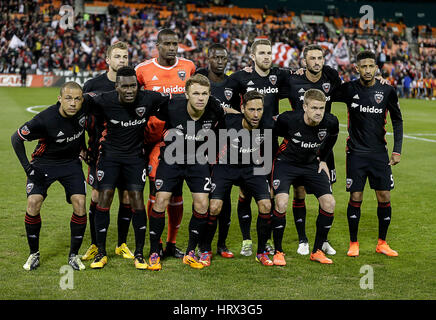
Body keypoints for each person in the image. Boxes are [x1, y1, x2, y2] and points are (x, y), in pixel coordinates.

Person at [147, 74, 238, 270]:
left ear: (209, 95)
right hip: (171, 159)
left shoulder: (214, 108)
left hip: (198, 160)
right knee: (160, 200)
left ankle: (190, 251)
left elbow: (225, 122)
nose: (200, 97)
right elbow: (149, 116)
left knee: (202, 204)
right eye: (196, 93)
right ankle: (155, 251)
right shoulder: (171, 106)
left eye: (204, 93)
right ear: (187, 94)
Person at [84, 66, 170, 270]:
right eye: (125, 86)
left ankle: (139, 254)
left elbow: (171, 103)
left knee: (137, 202)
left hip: (134, 158)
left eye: (133, 86)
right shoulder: (103, 99)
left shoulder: (149, 98)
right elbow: (79, 109)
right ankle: (101, 252)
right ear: (117, 87)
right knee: (104, 198)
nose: (130, 90)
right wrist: (83, 147)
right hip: (109, 156)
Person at [11, 81, 88, 271]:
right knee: (33, 203)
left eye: (77, 99)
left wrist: (84, 149)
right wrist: (28, 169)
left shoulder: (85, 111)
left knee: (80, 203)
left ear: (82, 101)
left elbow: (82, 133)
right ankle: (33, 254)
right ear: (59, 99)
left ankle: (73, 256)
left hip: (71, 164)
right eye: (68, 98)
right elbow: (16, 138)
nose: (72, 103)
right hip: (44, 163)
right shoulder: (45, 119)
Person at [226, 39, 290, 257]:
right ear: (252, 56)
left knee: (269, 194)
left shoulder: (279, 75)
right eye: (262, 53)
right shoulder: (239, 77)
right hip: (247, 142)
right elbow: (222, 101)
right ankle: (246, 240)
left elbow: (302, 81)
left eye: (269, 53)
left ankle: (267, 239)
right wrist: (238, 115)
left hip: (270, 142)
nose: (267, 56)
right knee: (245, 191)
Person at [335, 50, 403, 257]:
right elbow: (325, 91)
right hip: (355, 152)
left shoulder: (387, 90)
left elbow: (397, 120)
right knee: (356, 196)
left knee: (384, 196)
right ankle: (353, 243)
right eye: (363, 66)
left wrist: (397, 150)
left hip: (379, 153)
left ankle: (382, 243)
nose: (367, 70)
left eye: (370, 66)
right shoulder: (348, 89)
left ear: (376, 68)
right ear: (356, 68)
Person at [135, 28, 196, 259]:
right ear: (157, 45)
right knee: (157, 191)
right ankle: (157, 242)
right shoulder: (142, 70)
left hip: (181, 139)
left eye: (175, 43)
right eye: (167, 44)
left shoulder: (188, 67)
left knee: (177, 194)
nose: (172, 47)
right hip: (152, 141)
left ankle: (171, 243)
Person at [282, 44, 341, 256]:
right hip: (298, 148)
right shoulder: (293, 79)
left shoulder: (331, 77)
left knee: (328, 195)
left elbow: (348, 91)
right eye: (312, 58)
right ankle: (303, 239)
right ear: (304, 61)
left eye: (320, 58)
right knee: (299, 193)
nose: (316, 62)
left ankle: (323, 240)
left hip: (322, 147)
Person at [81, 41, 136, 262]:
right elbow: (80, 118)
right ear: (108, 59)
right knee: (98, 196)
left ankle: (121, 244)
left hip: (128, 150)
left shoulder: (133, 83)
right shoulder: (93, 85)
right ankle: (95, 245)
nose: (122, 60)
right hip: (99, 151)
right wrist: (82, 147)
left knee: (126, 197)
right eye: (118, 56)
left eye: (125, 57)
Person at [207, 90, 274, 267]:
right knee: (214, 207)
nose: (256, 114)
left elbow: (272, 150)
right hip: (226, 167)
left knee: (266, 205)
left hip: (252, 168)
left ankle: (261, 252)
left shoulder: (268, 125)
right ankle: (206, 250)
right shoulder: (228, 122)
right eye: (251, 109)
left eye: (259, 109)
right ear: (243, 108)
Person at [272, 88, 339, 264]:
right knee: (281, 202)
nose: (318, 112)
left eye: (322, 108)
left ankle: (317, 251)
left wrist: (323, 159)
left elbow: (333, 137)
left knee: (329, 203)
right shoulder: (289, 119)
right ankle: (278, 251)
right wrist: (270, 162)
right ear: (305, 106)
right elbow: (272, 134)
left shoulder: (330, 122)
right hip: (286, 164)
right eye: (314, 108)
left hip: (311, 165)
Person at [195, 43, 241, 259]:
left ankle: (221, 244)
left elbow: (239, 112)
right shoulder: (199, 78)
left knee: (224, 196)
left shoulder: (233, 83)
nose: (221, 61)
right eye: (216, 58)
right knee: (205, 197)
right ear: (208, 58)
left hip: (225, 146)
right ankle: (203, 243)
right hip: (201, 146)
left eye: (224, 58)